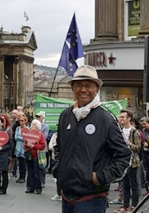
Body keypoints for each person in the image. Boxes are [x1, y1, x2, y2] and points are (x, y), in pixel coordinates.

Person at [54, 65, 131, 212]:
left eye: (88, 85)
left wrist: (100, 177)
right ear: (72, 88)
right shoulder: (66, 115)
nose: (83, 90)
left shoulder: (106, 119)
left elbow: (124, 155)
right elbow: (59, 147)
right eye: (79, 85)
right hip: (67, 195)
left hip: (92, 199)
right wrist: (58, 169)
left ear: (96, 88)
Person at [116, 110, 142, 213]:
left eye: (123, 117)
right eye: (120, 117)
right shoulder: (120, 130)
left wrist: (128, 143)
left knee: (133, 184)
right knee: (125, 184)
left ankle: (134, 205)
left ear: (129, 119)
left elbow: (138, 148)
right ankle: (125, 205)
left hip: (133, 161)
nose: (121, 119)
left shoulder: (134, 131)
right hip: (123, 161)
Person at [24, 119, 46, 195]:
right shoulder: (28, 134)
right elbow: (25, 143)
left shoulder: (40, 134)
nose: (32, 126)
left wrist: (34, 146)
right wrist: (27, 145)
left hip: (36, 155)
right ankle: (30, 187)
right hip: (29, 154)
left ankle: (38, 188)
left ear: (37, 126)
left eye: (34, 124)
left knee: (36, 172)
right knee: (30, 172)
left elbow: (43, 145)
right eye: (32, 124)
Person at [14, 114, 28, 184]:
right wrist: (21, 138)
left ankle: (23, 177)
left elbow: (27, 138)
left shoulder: (27, 129)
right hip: (18, 146)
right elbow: (16, 137)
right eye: (20, 121)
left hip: (24, 147)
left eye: (22, 120)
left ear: (25, 121)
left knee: (23, 163)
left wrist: (20, 138)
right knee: (19, 162)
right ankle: (20, 176)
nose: (21, 122)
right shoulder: (17, 128)